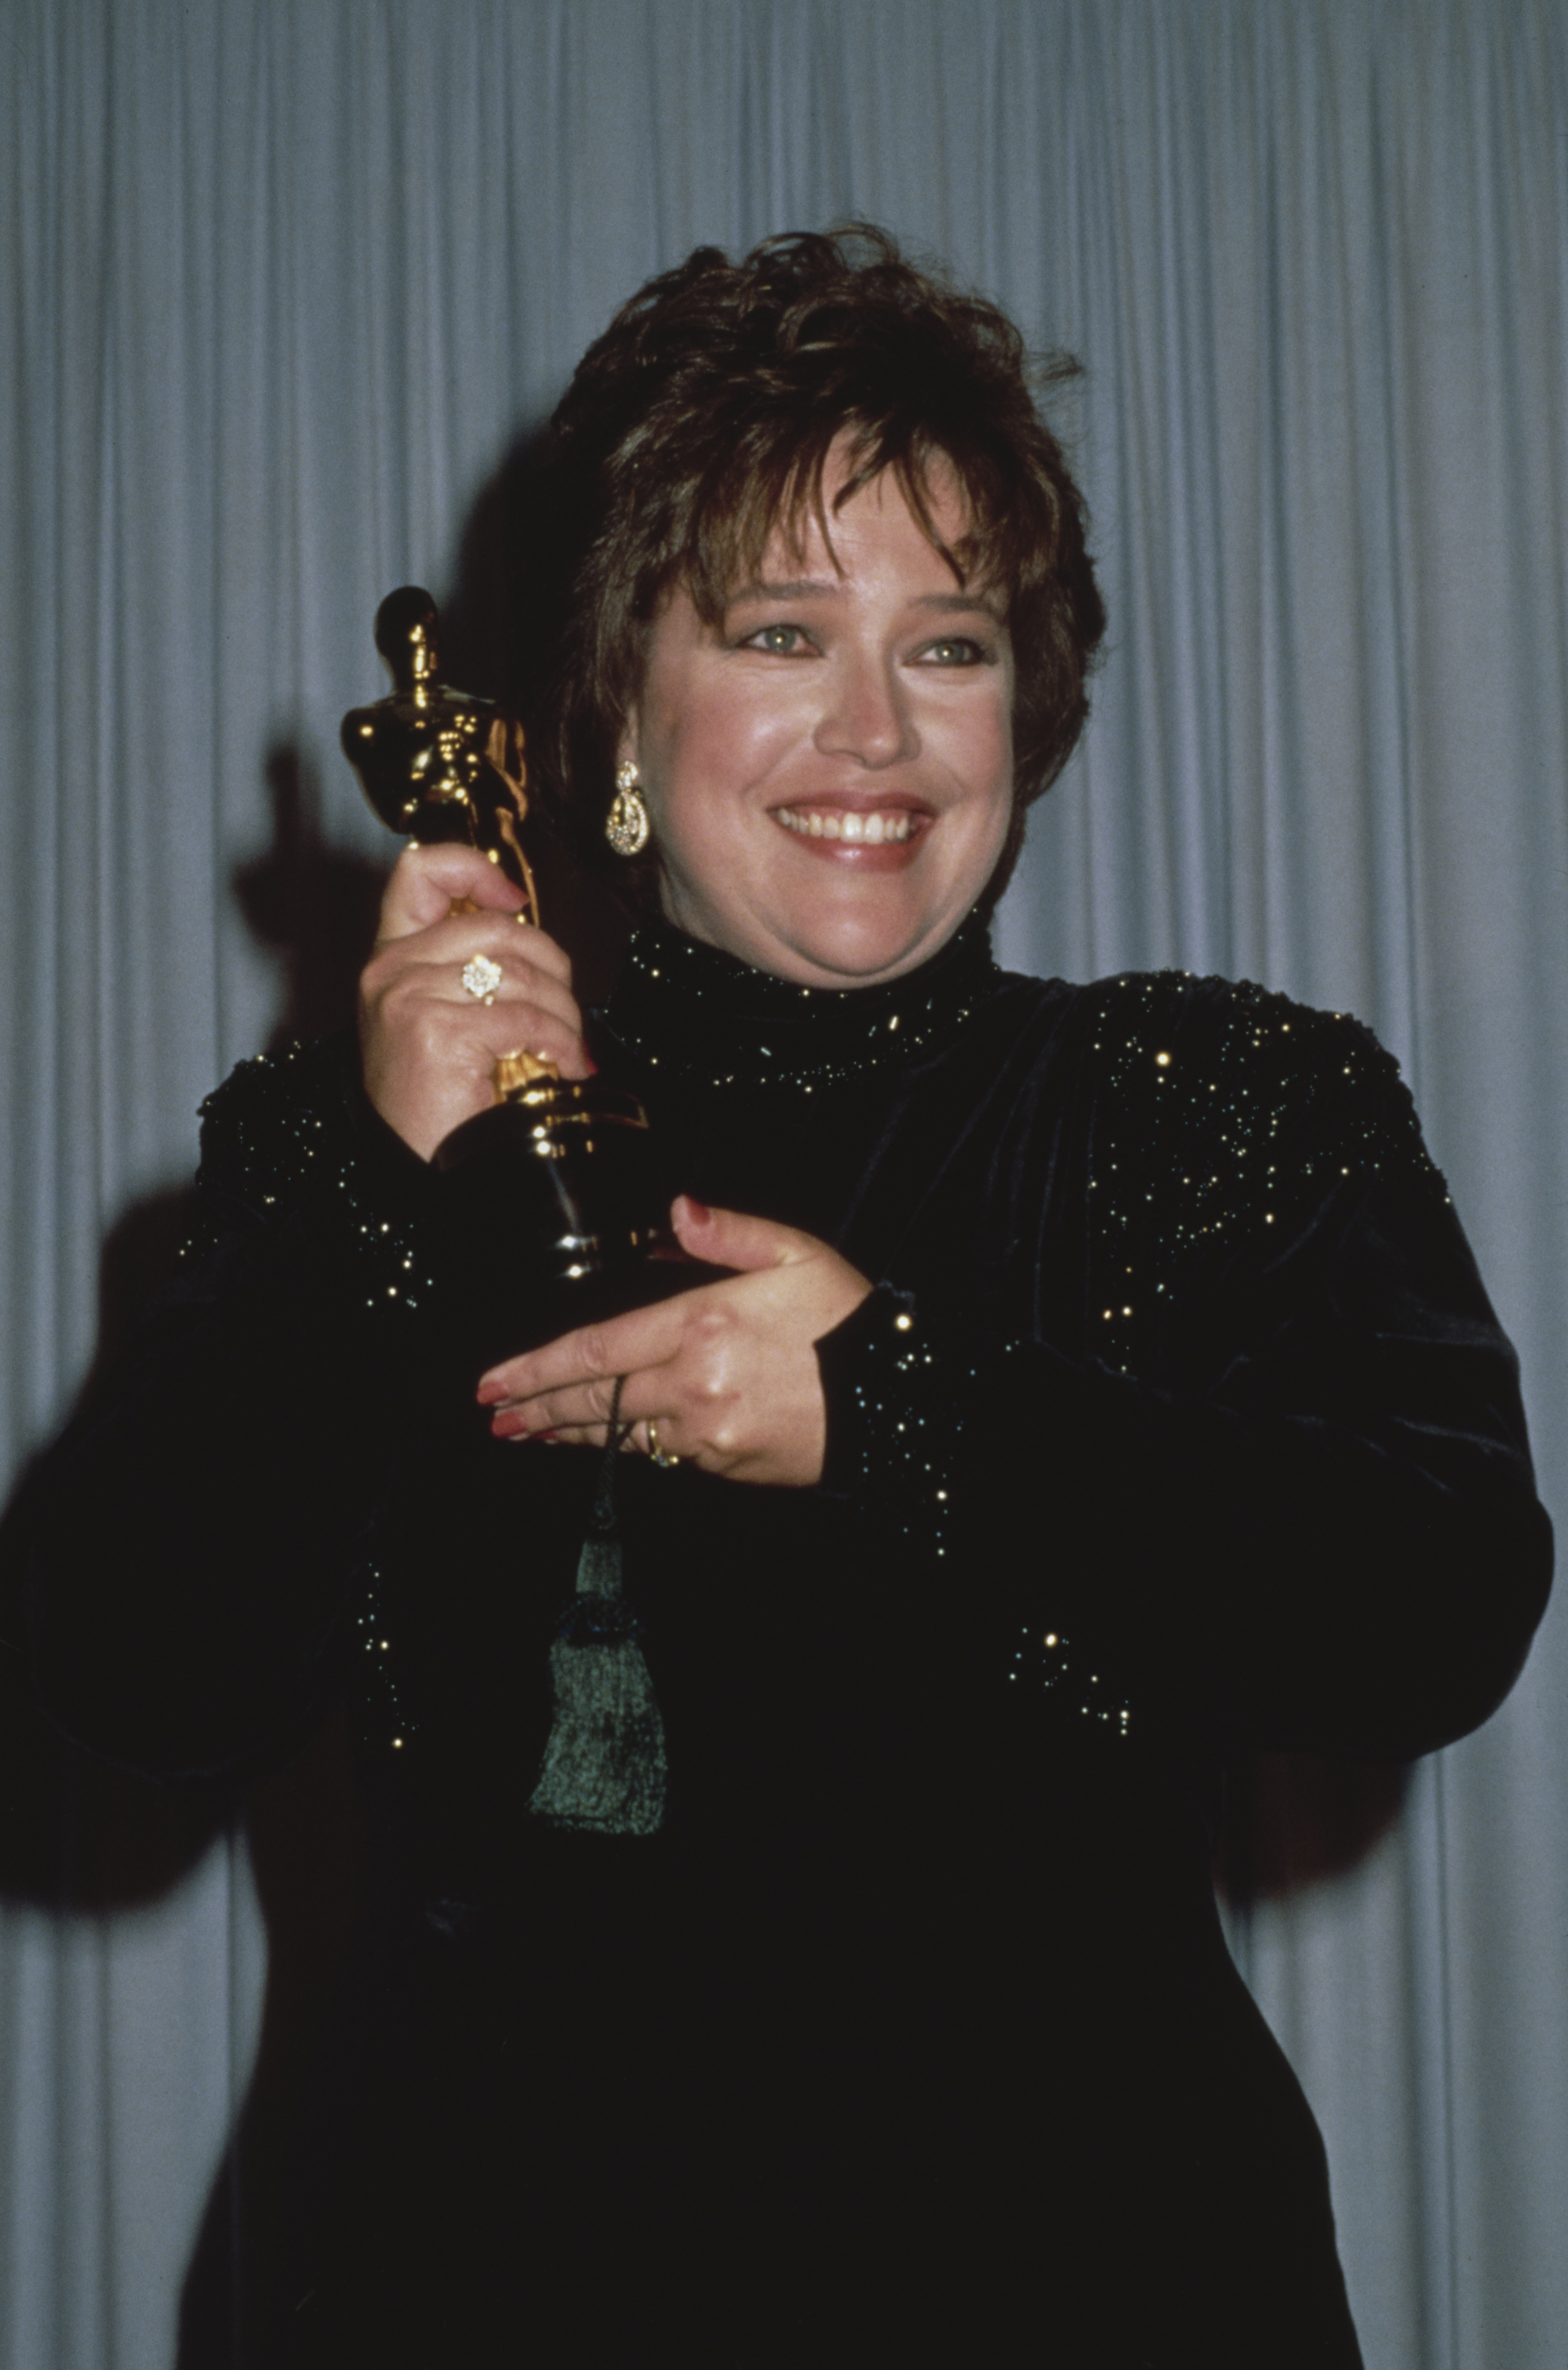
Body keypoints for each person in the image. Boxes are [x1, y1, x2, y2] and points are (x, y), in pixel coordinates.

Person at [20, 228, 1552, 2367]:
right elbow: (134, 1665)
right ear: (621, 703)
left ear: (1031, 710)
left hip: (1100, 2289)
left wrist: (890, 1407)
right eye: (776, 628)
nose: (874, 729)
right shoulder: (382, 1137)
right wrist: (388, 1172)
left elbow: (1430, 1599)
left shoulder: (1203, 1102)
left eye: (950, 645)